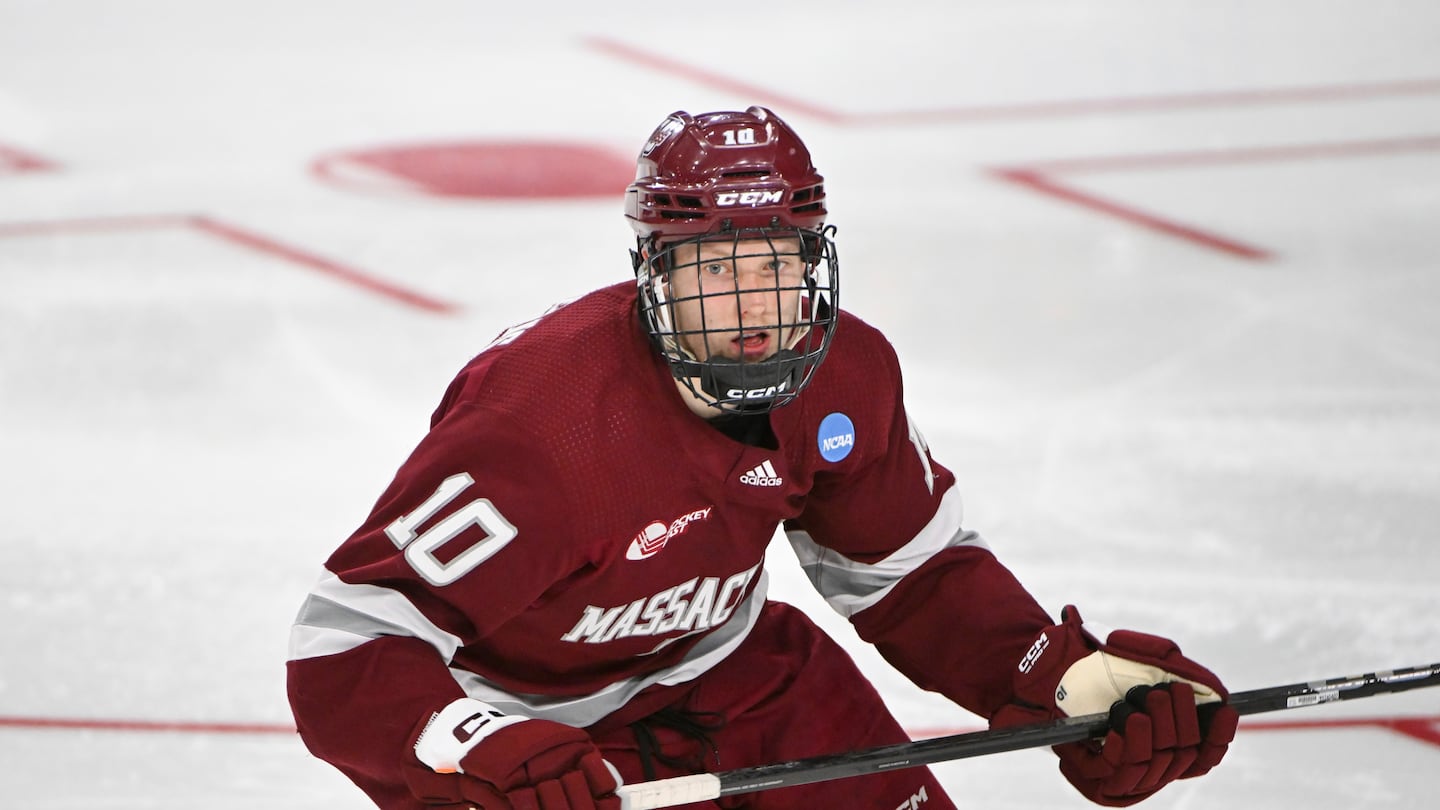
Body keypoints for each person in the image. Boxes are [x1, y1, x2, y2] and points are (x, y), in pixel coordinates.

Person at [287, 106, 1238, 810]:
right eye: (715, 269)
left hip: (743, 680)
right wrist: (474, 743)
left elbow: (908, 573)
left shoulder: (848, 376)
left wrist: (1056, 679)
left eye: (777, 263)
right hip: (548, 751)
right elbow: (346, 642)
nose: (753, 304)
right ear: (654, 274)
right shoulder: (543, 428)